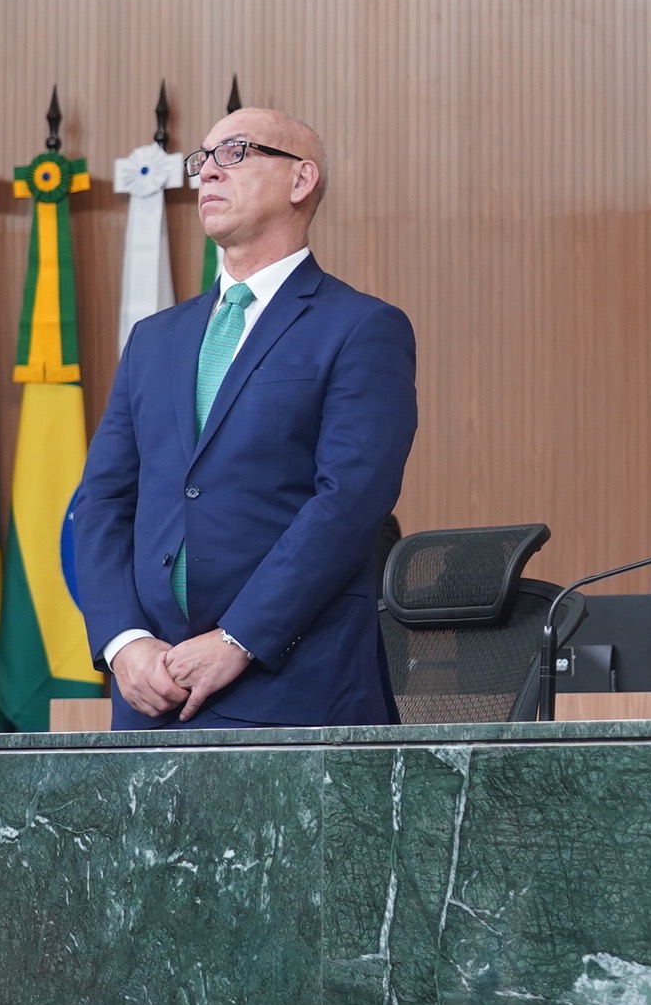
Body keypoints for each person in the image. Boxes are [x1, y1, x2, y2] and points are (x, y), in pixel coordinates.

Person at [68, 107, 417, 727]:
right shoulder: (153, 339)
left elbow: (348, 502)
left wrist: (239, 639)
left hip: (292, 692)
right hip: (153, 694)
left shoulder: (361, 327)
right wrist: (124, 642)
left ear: (301, 179)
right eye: (202, 159)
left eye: (235, 153)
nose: (207, 172)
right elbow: (101, 501)